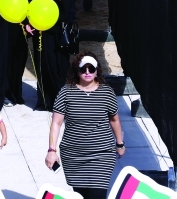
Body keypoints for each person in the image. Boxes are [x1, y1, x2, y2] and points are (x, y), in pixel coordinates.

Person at [46, 53, 125, 199]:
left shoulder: (107, 93)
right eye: (83, 69)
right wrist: (52, 150)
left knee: (97, 194)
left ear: (97, 70)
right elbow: (56, 123)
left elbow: (114, 120)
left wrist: (120, 144)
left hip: (102, 154)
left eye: (91, 69)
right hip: (74, 155)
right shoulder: (66, 92)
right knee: (81, 195)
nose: (87, 72)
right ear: (77, 71)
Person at [26, 0, 76, 110]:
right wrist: (28, 22)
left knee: (58, 65)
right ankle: (44, 100)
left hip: (57, 31)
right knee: (42, 65)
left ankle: (62, 101)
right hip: (40, 32)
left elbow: (69, 2)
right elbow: (29, 4)